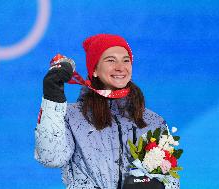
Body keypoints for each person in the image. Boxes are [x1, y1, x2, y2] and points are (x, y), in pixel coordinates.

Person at [34, 34, 179, 189]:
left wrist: (158, 186)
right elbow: (51, 157)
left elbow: (172, 180)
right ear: (95, 69)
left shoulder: (152, 120)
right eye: (111, 60)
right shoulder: (71, 116)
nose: (120, 67)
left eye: (126, 60)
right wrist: (52, 97)